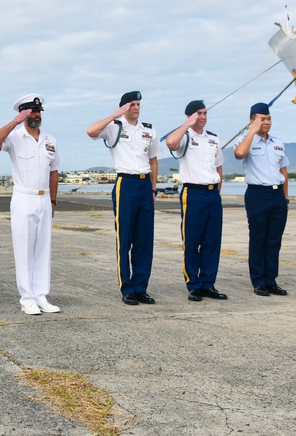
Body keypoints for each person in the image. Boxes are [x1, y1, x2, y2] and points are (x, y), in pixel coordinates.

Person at [86, 90, 160, 306]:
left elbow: (153, 160)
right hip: (125, 184)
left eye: (138, 104)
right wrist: (115, 114)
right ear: (124, 107)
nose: (136, 108)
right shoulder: (114, 127)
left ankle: (141, 287)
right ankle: (127, 288)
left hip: (145, 184)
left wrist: (153, 189)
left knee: (144, 240)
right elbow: (90, 131)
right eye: (132, 105)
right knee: (124, 239)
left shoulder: (149, 130)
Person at [0, 94, 61, 315]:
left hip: (44, 198)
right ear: (23, 113)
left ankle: (41, 295)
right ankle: (27, 298)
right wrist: (15, 122)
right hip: (23, 197)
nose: (36, 115)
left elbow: (54, 172)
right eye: (31, 112)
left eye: (38, 111)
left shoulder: (50, 140)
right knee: (24, 249)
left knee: (42, 249)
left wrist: (53, 201)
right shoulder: (14, 136)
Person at [166, 100, 226, 302]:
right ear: (190, 116)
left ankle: (208, 284)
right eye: (198, 113)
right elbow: (171, 143)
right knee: (192, 241)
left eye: (205, 113)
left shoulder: (214, 139)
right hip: (193, 193)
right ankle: (193, 285)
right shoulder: (184, 137)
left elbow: (218, 167)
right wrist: (187, 125)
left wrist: (217, 191)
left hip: (212, 194)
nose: (203, 117)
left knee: (212, 241)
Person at [233, 103, 289, 297]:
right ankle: (259, 281)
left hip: (277, 195)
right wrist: (252, 132)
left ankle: (271, 280)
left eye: (268, 118)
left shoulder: (278, 142)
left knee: (274, 240)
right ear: (253, 121)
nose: (266, 122)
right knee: (258, 239)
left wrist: (285, 198)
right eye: (262, 119)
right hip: (257, 194)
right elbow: (239, 154)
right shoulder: (245, 140)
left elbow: (283, 171)